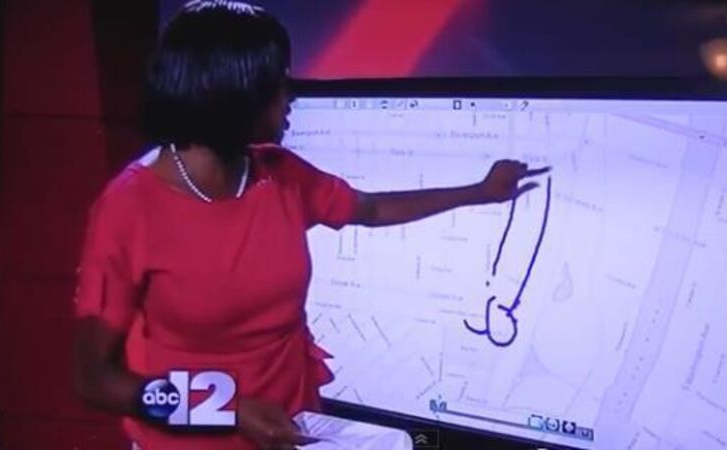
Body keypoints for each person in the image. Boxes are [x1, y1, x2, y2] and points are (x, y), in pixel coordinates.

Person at [71, 1, 549, 449]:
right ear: (232, 96)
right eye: (278, 84)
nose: (291, 95)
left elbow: (370, 210)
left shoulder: (279, 174)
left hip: (290, 428)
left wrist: (480, 192)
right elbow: (94, 378)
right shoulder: (129, 209)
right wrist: (228, 412)